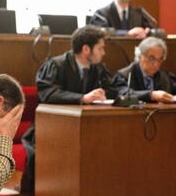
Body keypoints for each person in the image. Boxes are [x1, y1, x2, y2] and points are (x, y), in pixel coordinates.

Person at [20, 25, 116, 194]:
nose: (104, 52)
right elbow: (47, 93)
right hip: (49, 131)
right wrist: (81, 98)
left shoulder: (98, 68)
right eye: (101, 48)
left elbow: (115, 88)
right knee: (39, 157)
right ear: (86, 49)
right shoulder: (55, 65)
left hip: (85, 130)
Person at [112, 37, 176, 103]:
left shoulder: (165, 76)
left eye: (160, 59)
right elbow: (122, 94)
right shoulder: (125, 75)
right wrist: (151, 95)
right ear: (139, 56)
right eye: (152, 58)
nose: (156, 64)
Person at [89, 0, 153, 38]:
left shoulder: (138, 14)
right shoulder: (102, 14)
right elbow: (99, 32)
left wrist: (147, 32)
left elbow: (151, 30)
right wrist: (127, 34)